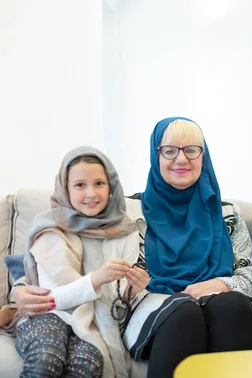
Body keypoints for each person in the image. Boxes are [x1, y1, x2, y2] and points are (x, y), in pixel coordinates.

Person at [123, 117, 252, 378]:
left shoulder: (228, 215)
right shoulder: (131, 213)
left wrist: (223, 284)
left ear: (203, 155)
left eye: (191, 150)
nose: (181, 159)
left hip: (216, 305)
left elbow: (251, 279)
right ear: (156, 156)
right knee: (183, 312)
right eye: (169, 150)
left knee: (233, 304)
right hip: (156, 308)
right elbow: (118, 281)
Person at [12, 147, 145, 377]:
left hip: (94, 323)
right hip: (49, 314)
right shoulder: (50, 228)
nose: (91, 193)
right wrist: (96, 279)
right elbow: (51, 300)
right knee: (47, 356)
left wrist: (132, 290)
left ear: (111, 185)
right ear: (65, 189)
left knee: (89, 363)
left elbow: (117, 296)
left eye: (99, 183)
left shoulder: (125, 229)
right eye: (80, 185)